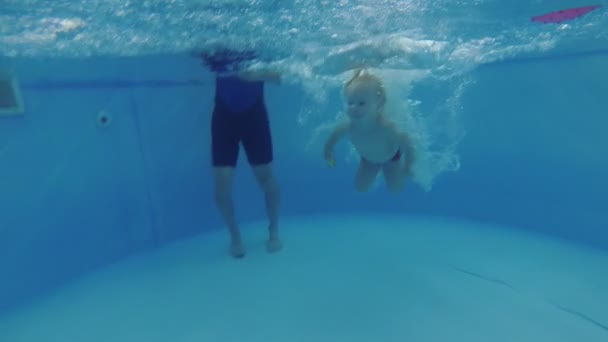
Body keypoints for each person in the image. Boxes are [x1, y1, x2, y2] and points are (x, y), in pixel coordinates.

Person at [199, 49, 282, 258]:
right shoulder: (215, 47)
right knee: (221, 186)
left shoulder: (258, 46)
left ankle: (274, 230)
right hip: (224, 117)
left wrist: (256, 75)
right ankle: (234, 236)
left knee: (266, 179)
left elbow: (282, 76)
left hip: (254, 117)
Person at [323, 69, 415, 192]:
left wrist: (408, 165)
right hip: (368, 160)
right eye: (350, 103)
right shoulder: (348, 127)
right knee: (360, 187)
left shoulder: (387, 128)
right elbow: (333, 138)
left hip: (392, 159)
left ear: (378, 104)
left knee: (395, 189)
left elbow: (407, 144)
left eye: (361, 103)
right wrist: (328, 150)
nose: (354, 107)